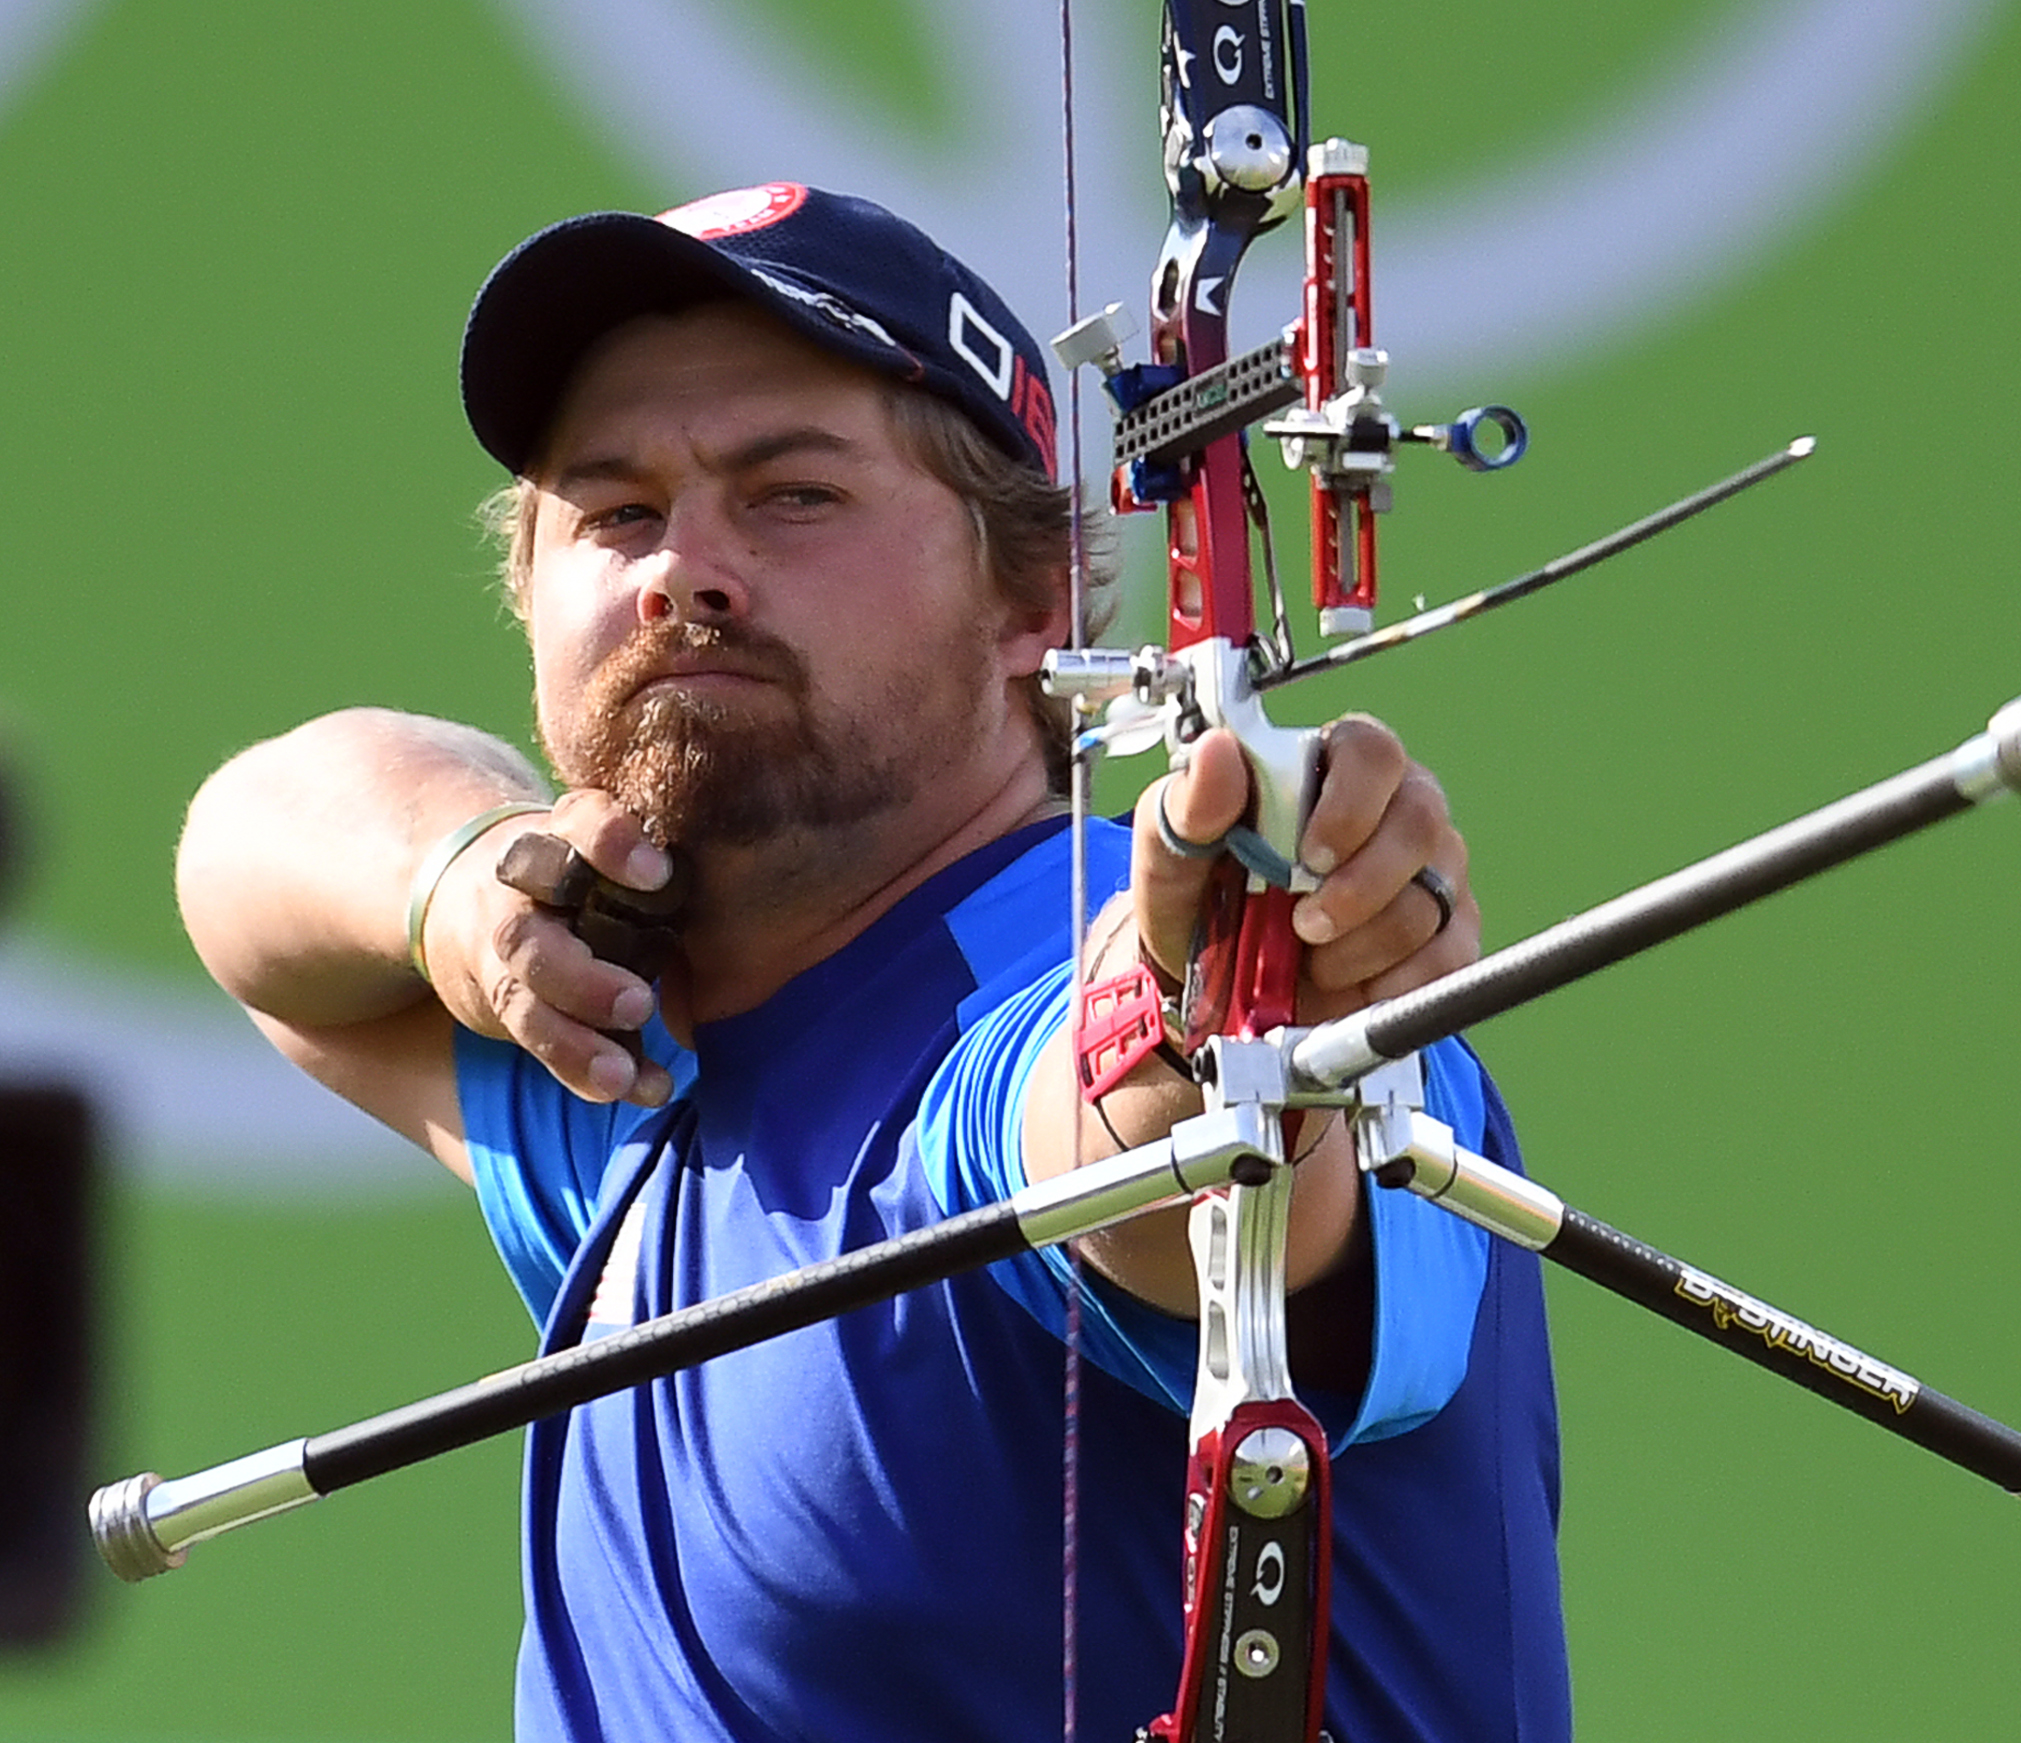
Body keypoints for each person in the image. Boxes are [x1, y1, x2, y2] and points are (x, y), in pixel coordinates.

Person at [173, 184, 1569, 1741]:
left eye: (790, 497)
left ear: (1031, 599)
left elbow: (1149, 1163)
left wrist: (1207, 1001)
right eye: (615, 511)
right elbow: (250, 849)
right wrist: (456, 895)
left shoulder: (1069, 965)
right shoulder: (623, 1054)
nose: (680, 572)